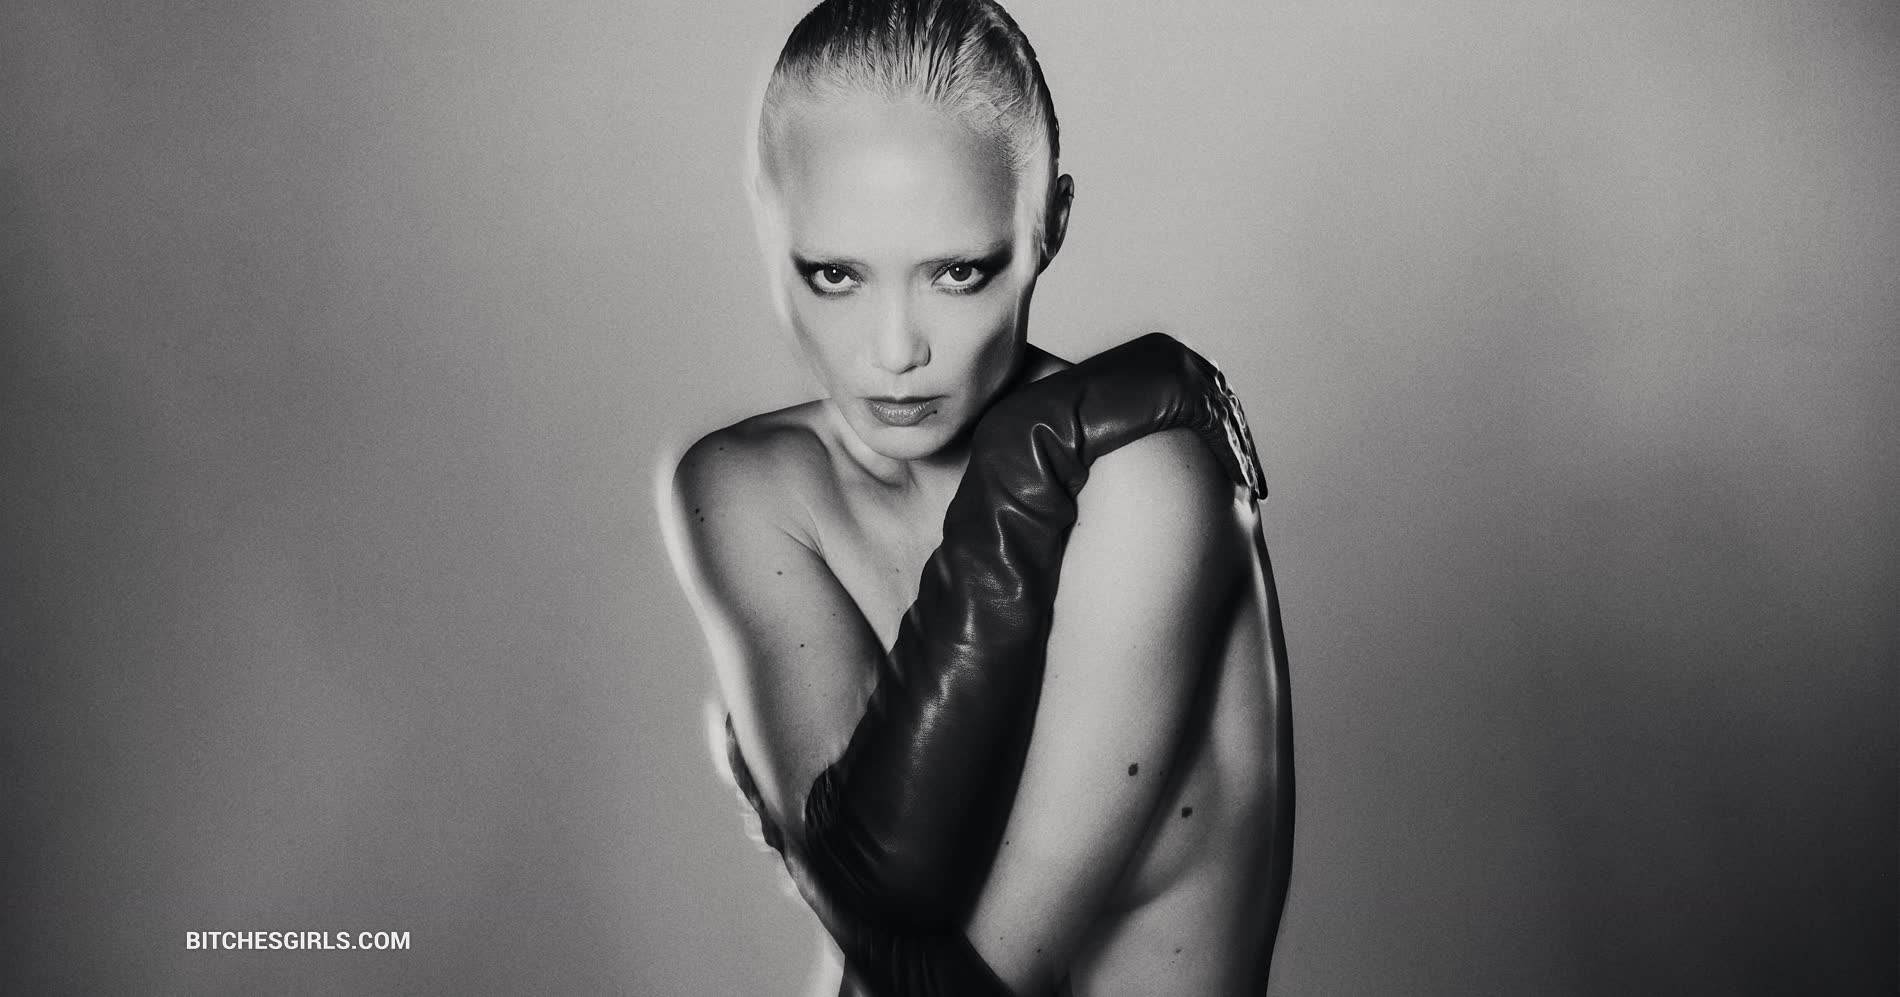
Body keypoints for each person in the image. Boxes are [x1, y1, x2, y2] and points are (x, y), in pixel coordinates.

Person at [658, 1, 1293, 993]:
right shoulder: (747, 487)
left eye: (957, 272)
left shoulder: (1145, 480)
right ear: (768, 221)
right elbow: (883, 891)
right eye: (834, 274)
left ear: (1048, 226)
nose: (894, 351)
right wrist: (1026, 459)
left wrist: (1023, 459)